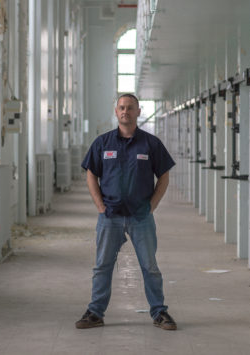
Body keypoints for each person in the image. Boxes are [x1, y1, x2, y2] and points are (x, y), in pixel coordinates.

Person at [76, 93, 177, 331]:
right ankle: (95, 312)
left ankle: (159, 312)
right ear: (116, 111)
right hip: (109, 216)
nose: (125, 111)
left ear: (138, 112)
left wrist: (152, 205)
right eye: (121, 107)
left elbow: (163, 175)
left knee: (150, 266)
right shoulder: (103, 143)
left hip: (141, 216)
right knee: (102, 265)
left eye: (130, 108)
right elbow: (91, 173)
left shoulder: (150, 144)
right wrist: (100, 205)